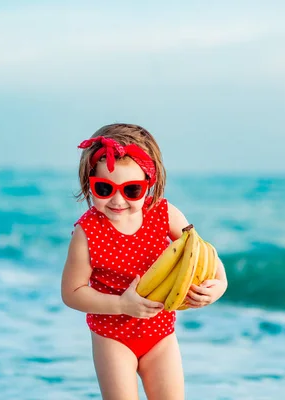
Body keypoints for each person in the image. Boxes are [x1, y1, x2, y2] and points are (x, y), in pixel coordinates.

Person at [61, 123, 228, 399]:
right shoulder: (87, 232)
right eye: (104, 188)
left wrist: (218, 284)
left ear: (149, 184)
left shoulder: (164, 213)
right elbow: (71, 292)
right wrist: (121, 305)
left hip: (160, 334)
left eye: (132, 190)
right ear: (88, 182)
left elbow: (200, 253)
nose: (117, 200)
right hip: (112, 336)